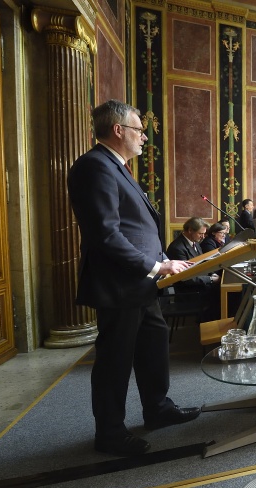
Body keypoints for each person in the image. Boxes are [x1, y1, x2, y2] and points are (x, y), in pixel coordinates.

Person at [67, 100, 198, 456]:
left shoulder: (117, 167)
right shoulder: (94, 167)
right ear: (118, 130)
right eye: (139, 130)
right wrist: (157, 266)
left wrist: (162, 260)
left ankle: (158, 409)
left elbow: (135, 228)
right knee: (115, 361)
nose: (144, 137)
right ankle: (109, 433)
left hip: (142, 284)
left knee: (153, 347)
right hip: (120, 285)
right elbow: (106, 235)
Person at [166, 217, 220, 320]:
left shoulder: (195, 243)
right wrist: (211, 279)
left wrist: (211, 274)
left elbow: (202, 264)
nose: (203, 237)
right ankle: (207, 327)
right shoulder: (177, 248)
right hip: (188, 290)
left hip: (197, 284)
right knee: (220, 294)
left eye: (204, 234)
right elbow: (186, 278)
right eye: (200, 234)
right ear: (190, 230)